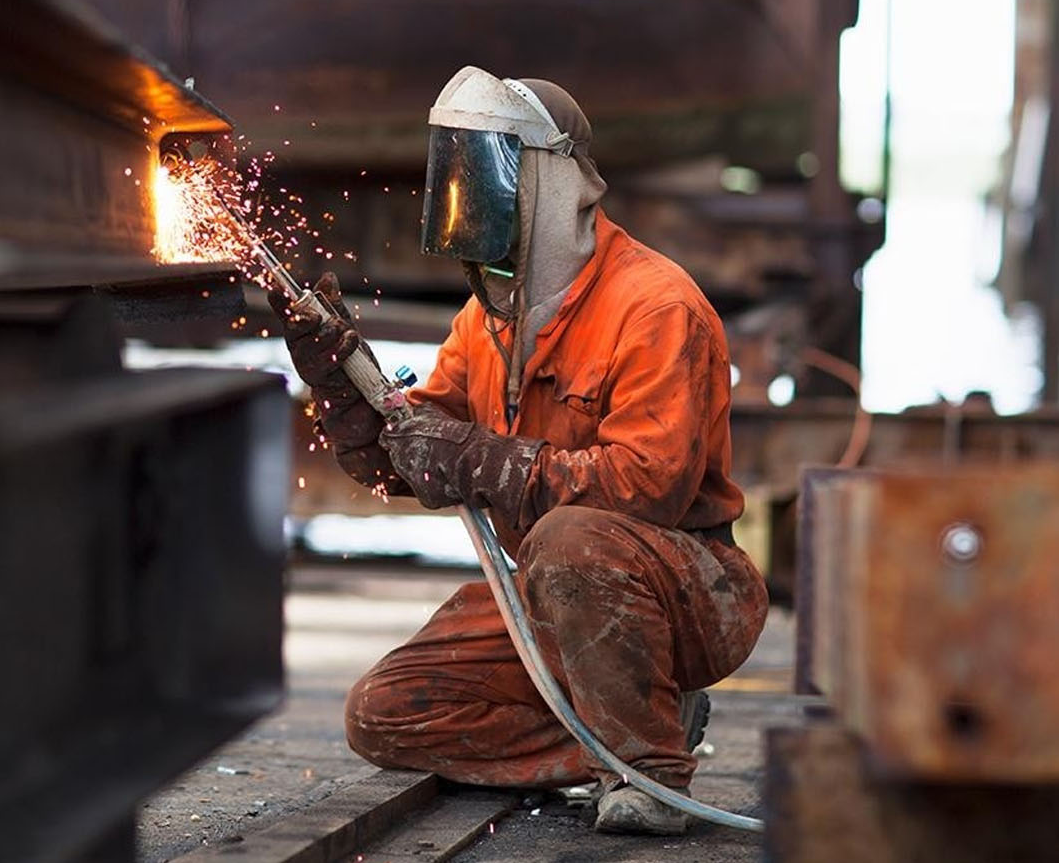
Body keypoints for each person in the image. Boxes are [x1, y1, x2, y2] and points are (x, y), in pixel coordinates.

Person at [268, 66, 768, 836]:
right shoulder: (486, 321)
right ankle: (633, 722)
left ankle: (652, 775)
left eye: (484, 173)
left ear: (551, 179)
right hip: (550, 595)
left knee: (572, 538)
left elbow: (649, 490)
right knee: (383, 713)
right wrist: (342, 387)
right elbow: (414, 456)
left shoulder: (657, 306)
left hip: (688, 592)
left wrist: (482, 460)